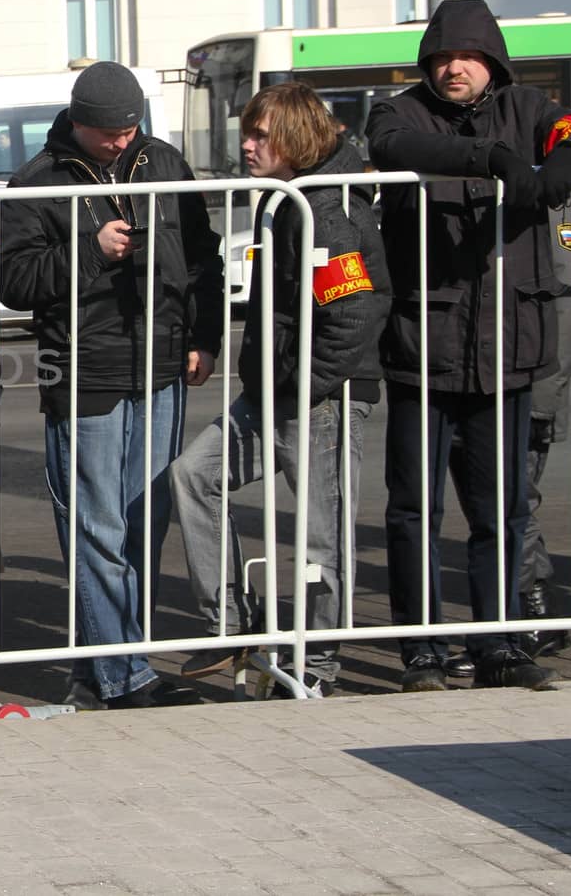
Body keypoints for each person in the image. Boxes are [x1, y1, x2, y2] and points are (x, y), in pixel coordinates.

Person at [364, 0, 571, 692]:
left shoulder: (532, 107)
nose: (454, 68)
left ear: (492, 61)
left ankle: (500, 643)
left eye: (467, 56)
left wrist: (562, 163)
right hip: (423, 346)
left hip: (509, 348)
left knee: (500, 512)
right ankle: (421, 649)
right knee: (414, 511)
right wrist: (491, 159)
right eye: (442, 56)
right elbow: (394, 149)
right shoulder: (399, 111)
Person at [0, 61, 223, 709]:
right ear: (78, 122)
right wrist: (93, 248)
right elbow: (17, 282)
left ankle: (102, 669)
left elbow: (203, 255)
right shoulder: (38, 181)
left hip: (160, 367)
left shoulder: (166, 162)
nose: (123, 140)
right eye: (109, 132)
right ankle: (125, 675)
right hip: (83, 374)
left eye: (130, 128)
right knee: (96, 528)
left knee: (142, 524)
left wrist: (204, 336)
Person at [169, 83, 390, 698]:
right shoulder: (292, 198)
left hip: (319, 398)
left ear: (294, 137)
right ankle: (234, 627)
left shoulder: (330, 208)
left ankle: (315, 668)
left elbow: (355, 316)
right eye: (247, 131)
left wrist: (302, 388)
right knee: (193, 474)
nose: (246, 144)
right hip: (278, 392)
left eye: (259, 134)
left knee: (320, 536)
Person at [444, 199, 571, 674]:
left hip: (524, 381)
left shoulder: (553, 203)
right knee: (492, 500)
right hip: (480, 376)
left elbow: (566, 304)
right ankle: (532, 606)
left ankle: (527, 615)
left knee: (511, 502)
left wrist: (543, 393)